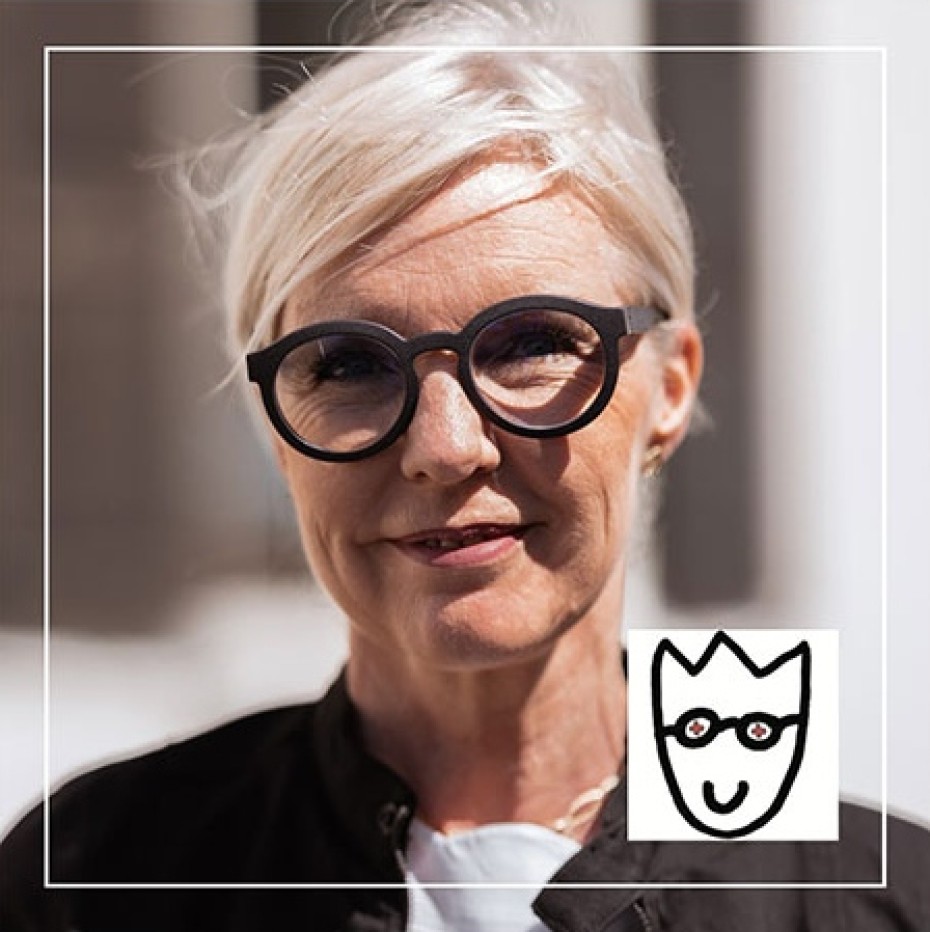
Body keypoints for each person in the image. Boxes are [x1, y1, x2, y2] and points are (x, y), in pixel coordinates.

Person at [1, 2, 928, 930]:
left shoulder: (876, 902)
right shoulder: (98, 880)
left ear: (671, 388)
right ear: (276, 429)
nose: (446, 447)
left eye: (531, 344)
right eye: (350, 365)